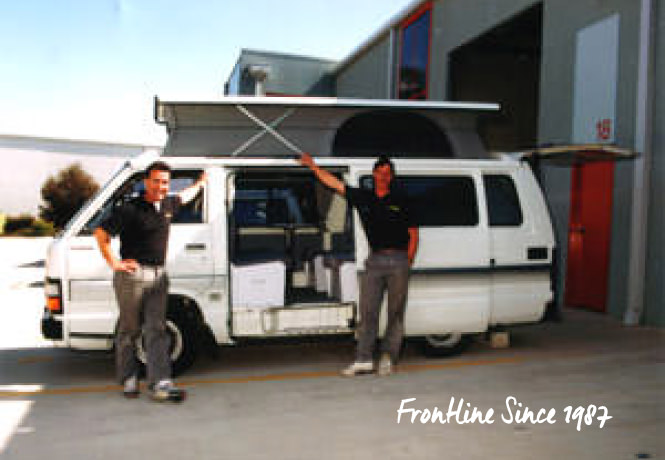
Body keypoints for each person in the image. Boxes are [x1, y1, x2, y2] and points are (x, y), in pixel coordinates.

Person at [93, 161, 206, 401]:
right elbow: (101, 234)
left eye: (165, 182)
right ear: (146, 182)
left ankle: (160, 382)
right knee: (129, 329)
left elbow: (186, 195)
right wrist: (115, 263)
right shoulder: (130, 209)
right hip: (132, 277)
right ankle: (129, 379)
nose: (161, 186)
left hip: (159, 276)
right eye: (156, 181)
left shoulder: (167, 204)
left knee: (157, 330)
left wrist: (201, 183)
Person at [299, 153, 418, 376]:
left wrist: (407, 261)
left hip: (399, 260)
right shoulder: (364, 197)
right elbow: (333, 182)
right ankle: (363, 359)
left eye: (387, 174)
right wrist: (313, 166)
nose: (383, 177)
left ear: (391, 177)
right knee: (368, 311)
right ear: (374, 174)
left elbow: (413, 234)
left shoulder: (402, 200)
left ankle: (388, 357)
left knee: (395, 313)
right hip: (374, 261)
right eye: (380, 173)